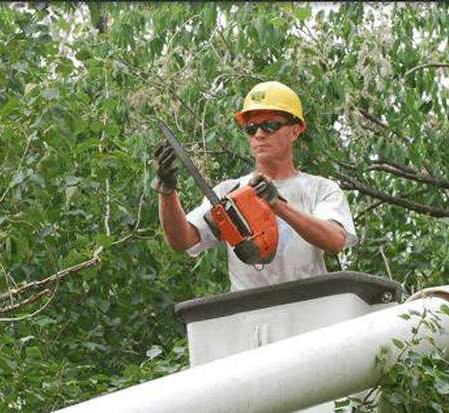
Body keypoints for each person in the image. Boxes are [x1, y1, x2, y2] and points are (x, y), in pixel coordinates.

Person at [152, 81, 357, 291]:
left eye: (270, 125)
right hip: (249, 314)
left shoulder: (320, 189)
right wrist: (167, 192)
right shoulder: (229, 192)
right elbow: (182, 240)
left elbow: (335, 240)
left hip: (307, 309)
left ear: (295, 131)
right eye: (251, 128)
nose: (259, 134)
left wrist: (278, 205)